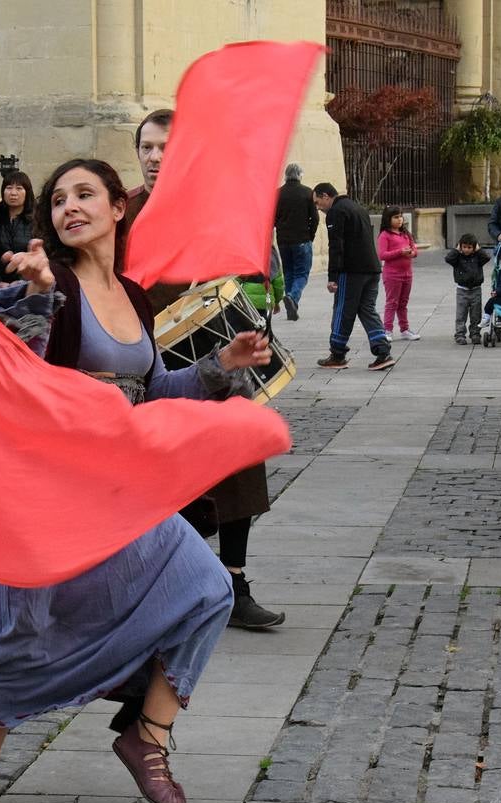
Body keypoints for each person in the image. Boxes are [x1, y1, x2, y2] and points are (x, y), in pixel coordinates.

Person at [0, 158, 274, 803]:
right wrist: (36, 297)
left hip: (113, 493)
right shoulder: (52, 284)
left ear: (115, 208)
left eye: (84, 194)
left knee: (207, 590)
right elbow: (8, 366)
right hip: (41, 499)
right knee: (19, 639)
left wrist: (222, 367)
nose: (69, 206)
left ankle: (146, 738)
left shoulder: (129, 293)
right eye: (58, 197)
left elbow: (151, 392)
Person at [125, 109, 284, 630]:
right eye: (147, 147)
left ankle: (233, 581)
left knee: (239, 456)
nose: (154, 157)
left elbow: (238, 283)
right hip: (149, 362)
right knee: (162, 477)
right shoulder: (120, 213)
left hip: (214, 355)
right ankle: (166, 585)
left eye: (165, 147)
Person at [312, 183, 395, 371]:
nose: (319, 207)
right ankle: (383, 352)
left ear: (326, 196)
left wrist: (332, 276)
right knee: (367, 309)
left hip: (351, 271)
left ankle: (337, 353)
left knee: (343, 310)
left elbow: (336, 245)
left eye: (318, 202)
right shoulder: (357, 207)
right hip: (372, 268)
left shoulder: (336, 212)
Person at [274, 162, 318, 320]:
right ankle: (292, 297)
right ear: (300, 175)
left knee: (289, 272)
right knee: (302, 273)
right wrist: (310, 236)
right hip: (301, 239)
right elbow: (315, 218)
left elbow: (271, 219)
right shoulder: (308, 193)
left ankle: (292, 308)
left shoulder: (277, 194)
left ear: (286, 175)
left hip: (283, 240)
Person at [0, 171, 34, 287]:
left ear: (27, 192)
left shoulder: (36, 222)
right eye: (9, 188)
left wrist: (21, 282)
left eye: (19, 188)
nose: (13, 193)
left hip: (29, 287)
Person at [377, 206, 420, 341]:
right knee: (392, 302)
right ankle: (387, 330)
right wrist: (400, 252)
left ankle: (405, 329)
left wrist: (411, 252)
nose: (399, 219)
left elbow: (414, 250)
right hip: (392, 275)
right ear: (388, 219)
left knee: (403, 303)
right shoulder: (385, 235)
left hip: (407, 274)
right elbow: (382, 255)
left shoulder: (406, 233)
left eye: (400, 216)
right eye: (396, 217)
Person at [445, 233, 490, 345]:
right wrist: (456, 250)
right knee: (461, 314)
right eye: (464, 247)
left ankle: (475, 334)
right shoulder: (457, 258)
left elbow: (487, 258)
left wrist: (479, 250)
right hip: (462, 290)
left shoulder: (478, 258)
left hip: (476, 290)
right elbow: (448, 258)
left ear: (474, 248)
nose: (467, 250)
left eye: (470, 247)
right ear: (460, 246)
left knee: (476, 315)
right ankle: (460, 334)